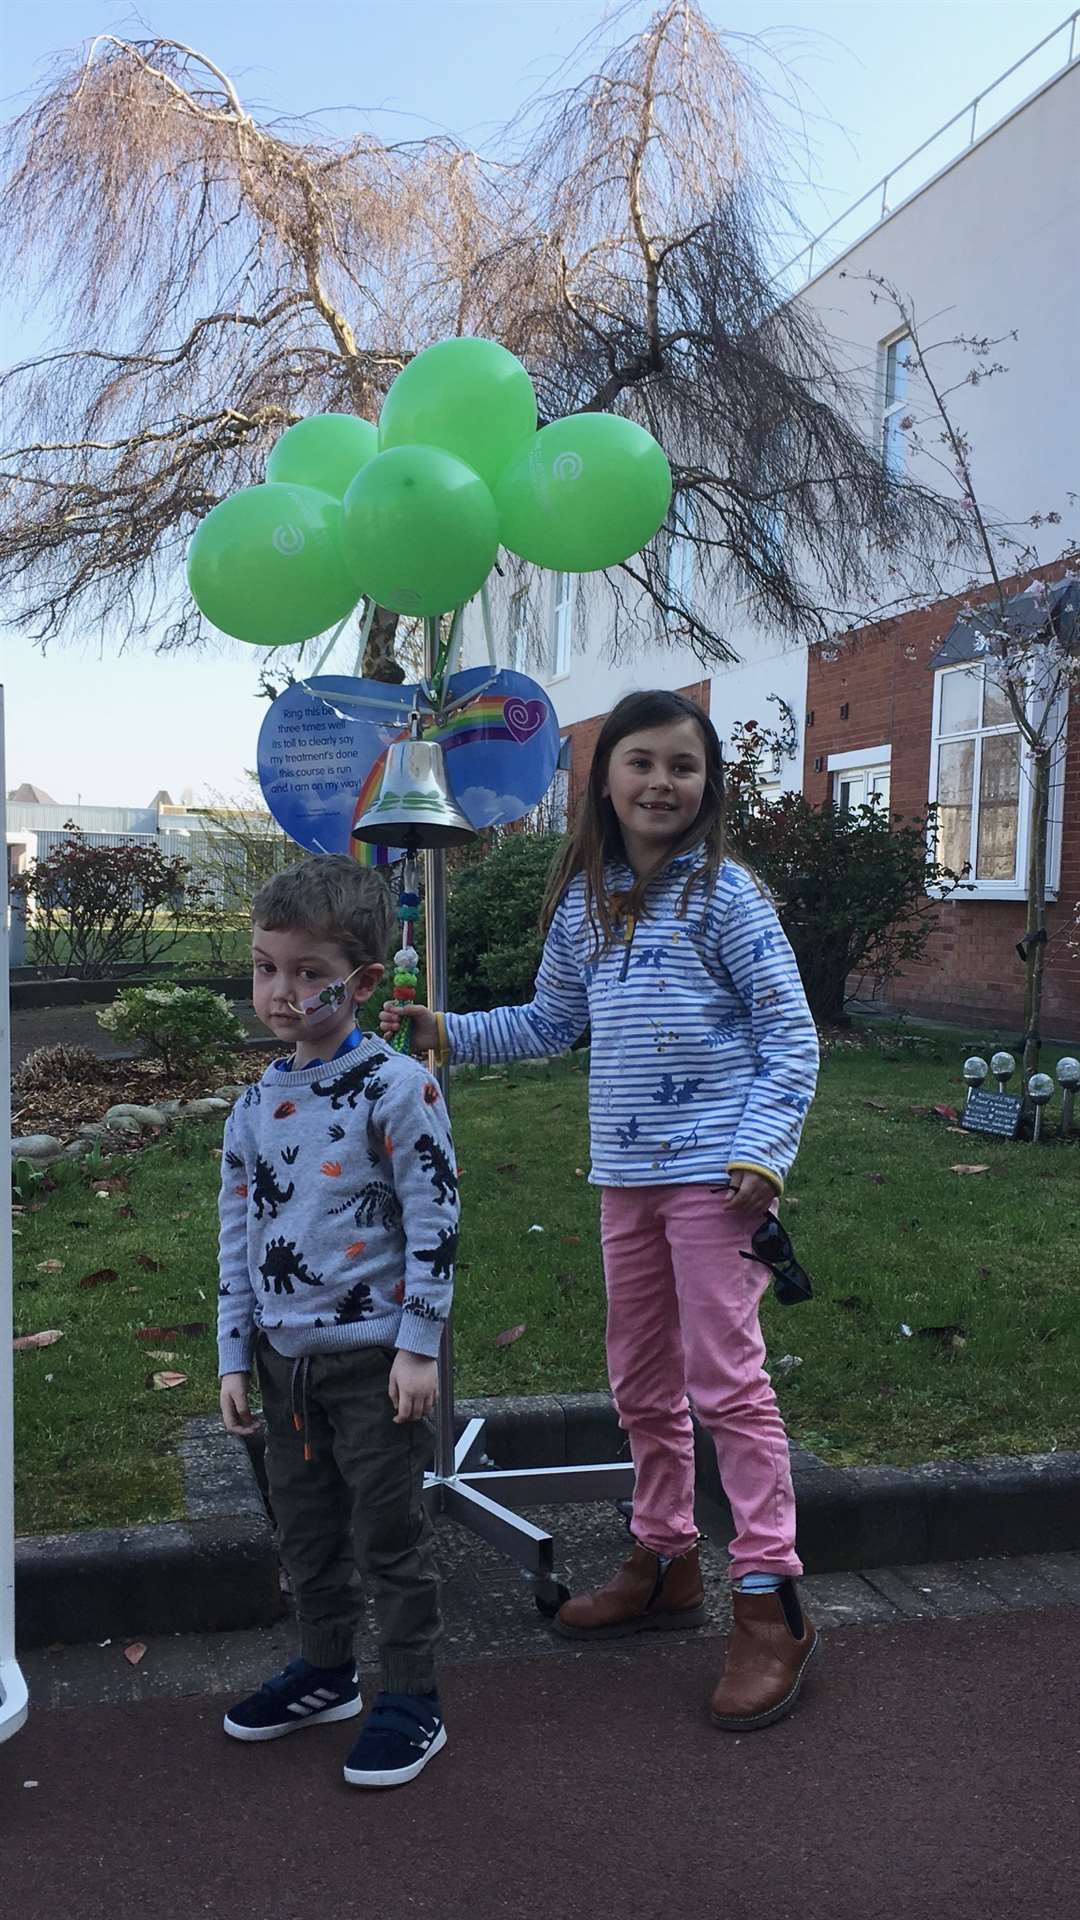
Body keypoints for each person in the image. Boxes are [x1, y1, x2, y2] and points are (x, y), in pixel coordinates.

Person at [381, 690, 820, 1732]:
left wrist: (764, 1150)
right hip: (625, 1179)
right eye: (641, 764)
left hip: (718, 1182)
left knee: (728, 1382)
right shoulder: (589, 900)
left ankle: (770, 1597)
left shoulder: (730, 897)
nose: (662, 783)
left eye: (683, 765)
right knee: (640, 1380)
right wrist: (447, 1029)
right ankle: (665, 1556)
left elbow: (791, 1036)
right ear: (605, 780)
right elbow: (550, 1022)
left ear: (708, 784)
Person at [217, 856, 457, 1786]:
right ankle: (326, 1671)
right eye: (265, 966)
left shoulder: (399, 1089)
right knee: (305, 1533)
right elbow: (240, 1233)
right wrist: (235, 1354)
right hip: (283, 1366)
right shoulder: (253, 1103)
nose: (282, 992)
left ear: (360, 983)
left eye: (308, 972)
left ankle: (411, 1696)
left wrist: (419, 1347)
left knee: (388, 1535)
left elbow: (436, 1218)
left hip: (374, 1366)